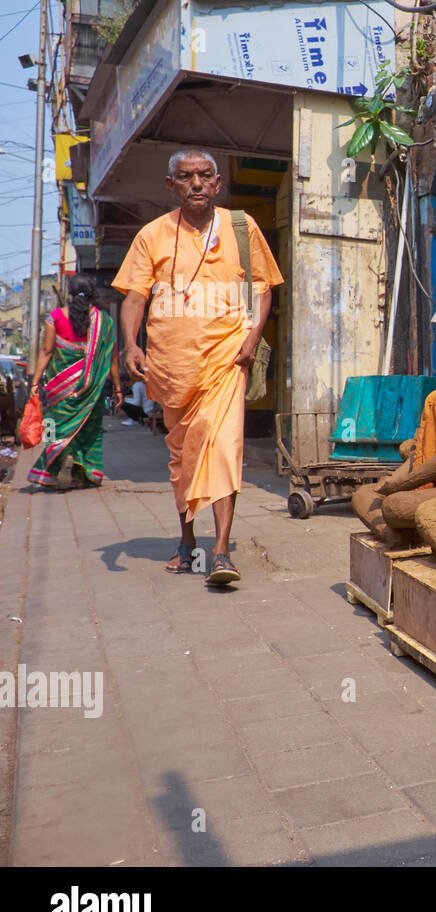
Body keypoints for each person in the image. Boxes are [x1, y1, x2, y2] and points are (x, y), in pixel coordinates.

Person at [112, 148, 284, 585]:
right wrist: (130, 344)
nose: (196, 184)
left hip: (227, 361)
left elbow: (263, 290)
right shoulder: (152, 235)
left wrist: (252, 336)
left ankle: (221, 551)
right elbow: (134, 297)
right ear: (171, 185)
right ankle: (187, 542)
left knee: (225, 450)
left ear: (217, 182)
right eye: (186, 177)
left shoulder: (242, 228)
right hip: (170, 370)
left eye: (205, 176)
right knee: (183, 460)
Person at [27, 275, 121, 490]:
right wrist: (117, 387)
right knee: (91, 429)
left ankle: (63, 455)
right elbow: (112, 356)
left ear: (70, 294)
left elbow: (47, 351)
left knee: (54, 426)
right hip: (92, 388)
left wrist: (35, 380)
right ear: (92, 294)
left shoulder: (56, 317)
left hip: (60, 388)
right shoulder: (103, 321)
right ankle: (87, 474)